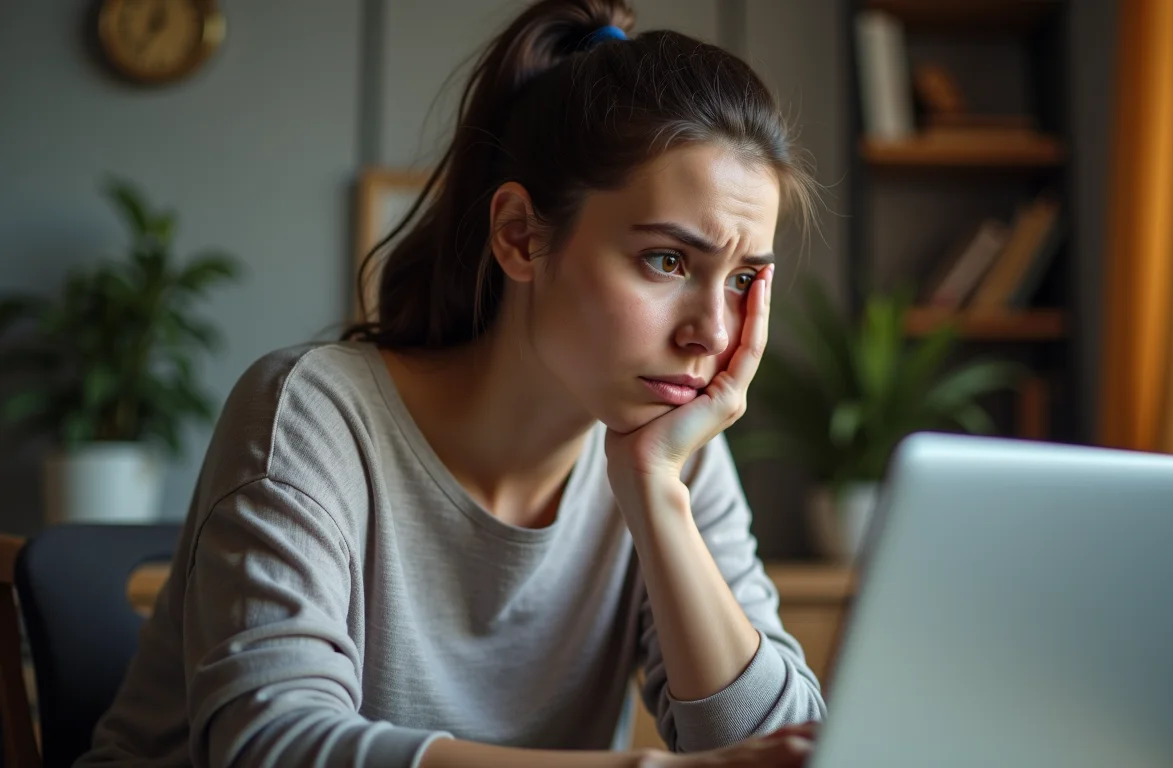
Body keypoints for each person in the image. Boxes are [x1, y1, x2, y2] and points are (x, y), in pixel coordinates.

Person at [77, 1, 826, 766]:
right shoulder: (311, 415)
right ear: (520, 236)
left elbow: (778, 749)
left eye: (742, 279)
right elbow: (271, 745)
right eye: (668, 261)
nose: (711, 330)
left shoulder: (672, 449)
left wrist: (655, 493)